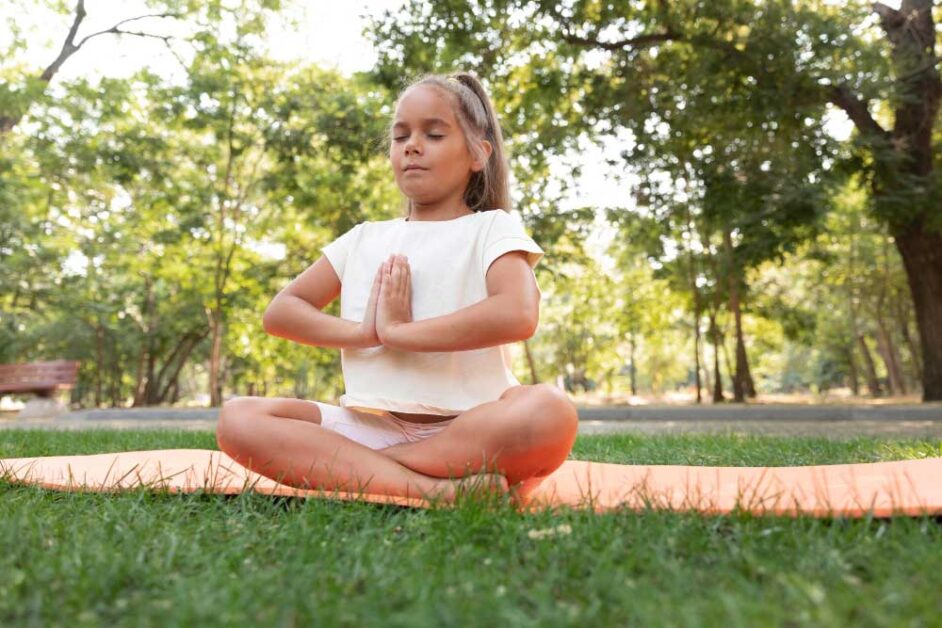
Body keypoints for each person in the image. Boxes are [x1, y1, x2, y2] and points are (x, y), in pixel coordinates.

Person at [215, 72, 579, 503]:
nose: (412, 145)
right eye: (400, 135)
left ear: (478, 155)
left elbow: (517, 313)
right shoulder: (364, 237)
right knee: (239, 419)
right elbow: (282, 312)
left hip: (471, 428)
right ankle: (434, 489)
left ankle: (372, 467)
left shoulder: (492, 229)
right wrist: (365, 332)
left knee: (551, 411)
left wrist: (401, 334)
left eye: (434, 133)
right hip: (372, 429)